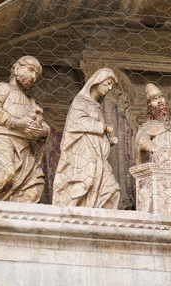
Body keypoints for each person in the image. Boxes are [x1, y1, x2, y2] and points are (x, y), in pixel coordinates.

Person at [0, 56, 51, 202]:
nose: (33, 77)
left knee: (36, 182)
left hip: (23, 146)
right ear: (16, 68)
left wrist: (42, 129)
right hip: (0, 138)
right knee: (5, 173)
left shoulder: (31, 101)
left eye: (36, 75)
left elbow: (41, 126)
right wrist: (15, 122)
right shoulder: (4, 87)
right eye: (31, 70)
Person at [51, 68, 122, 209]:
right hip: (84, 153)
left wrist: (108, 139)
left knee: (112, 188)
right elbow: (76, 122)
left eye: (111, 86)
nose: (109, 88)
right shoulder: (81, 101)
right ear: (96, 82)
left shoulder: (97, 105)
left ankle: (101, 217)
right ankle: (68, 212)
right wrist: (102, 127)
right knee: (85, 180)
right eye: (107, 83)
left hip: (99, 157)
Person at [134, 83, 171, 165]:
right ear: (150, 108)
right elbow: (141, 140)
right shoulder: (147, 127)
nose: (159, 102)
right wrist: (154, 148)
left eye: (161, 98)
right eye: (154, 100)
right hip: (158, 162)